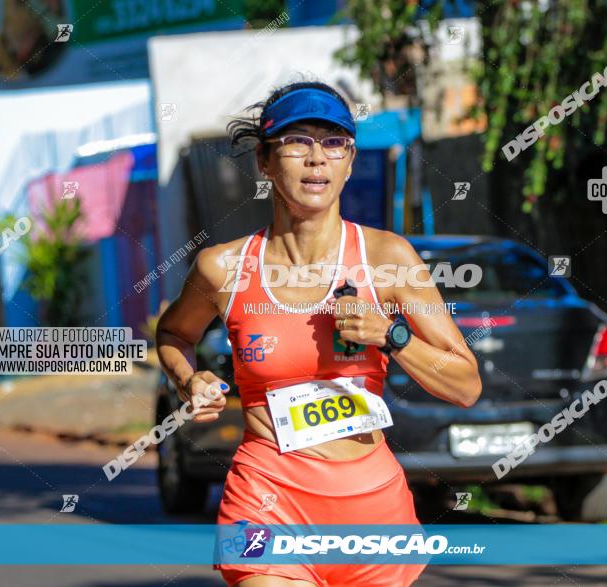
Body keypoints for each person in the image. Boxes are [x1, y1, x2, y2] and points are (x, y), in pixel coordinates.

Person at [156, 79, 482, 587]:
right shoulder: (223, 268)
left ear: (349, 163)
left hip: (370, 512)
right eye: (297, 141)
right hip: (268, 500)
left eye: (333, 143)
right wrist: (189, 378)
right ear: (263, 161)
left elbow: (465, 385)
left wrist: (391, 334)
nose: (317, 158)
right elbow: (174, 334)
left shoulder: (389, 260)